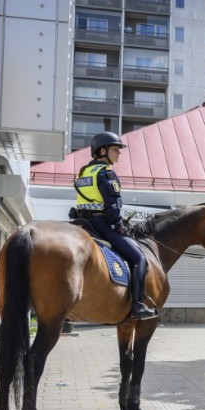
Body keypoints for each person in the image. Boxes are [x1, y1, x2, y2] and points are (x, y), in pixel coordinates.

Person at [73, 132, 158, 320]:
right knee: (139, 259)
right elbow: (112, 207)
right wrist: (119, 225)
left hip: (81, 222)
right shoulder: (106, 173)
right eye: (115, 149)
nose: (119, 152)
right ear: (102, 151)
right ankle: (137, 305)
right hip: (101, 225)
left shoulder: (83, 172)